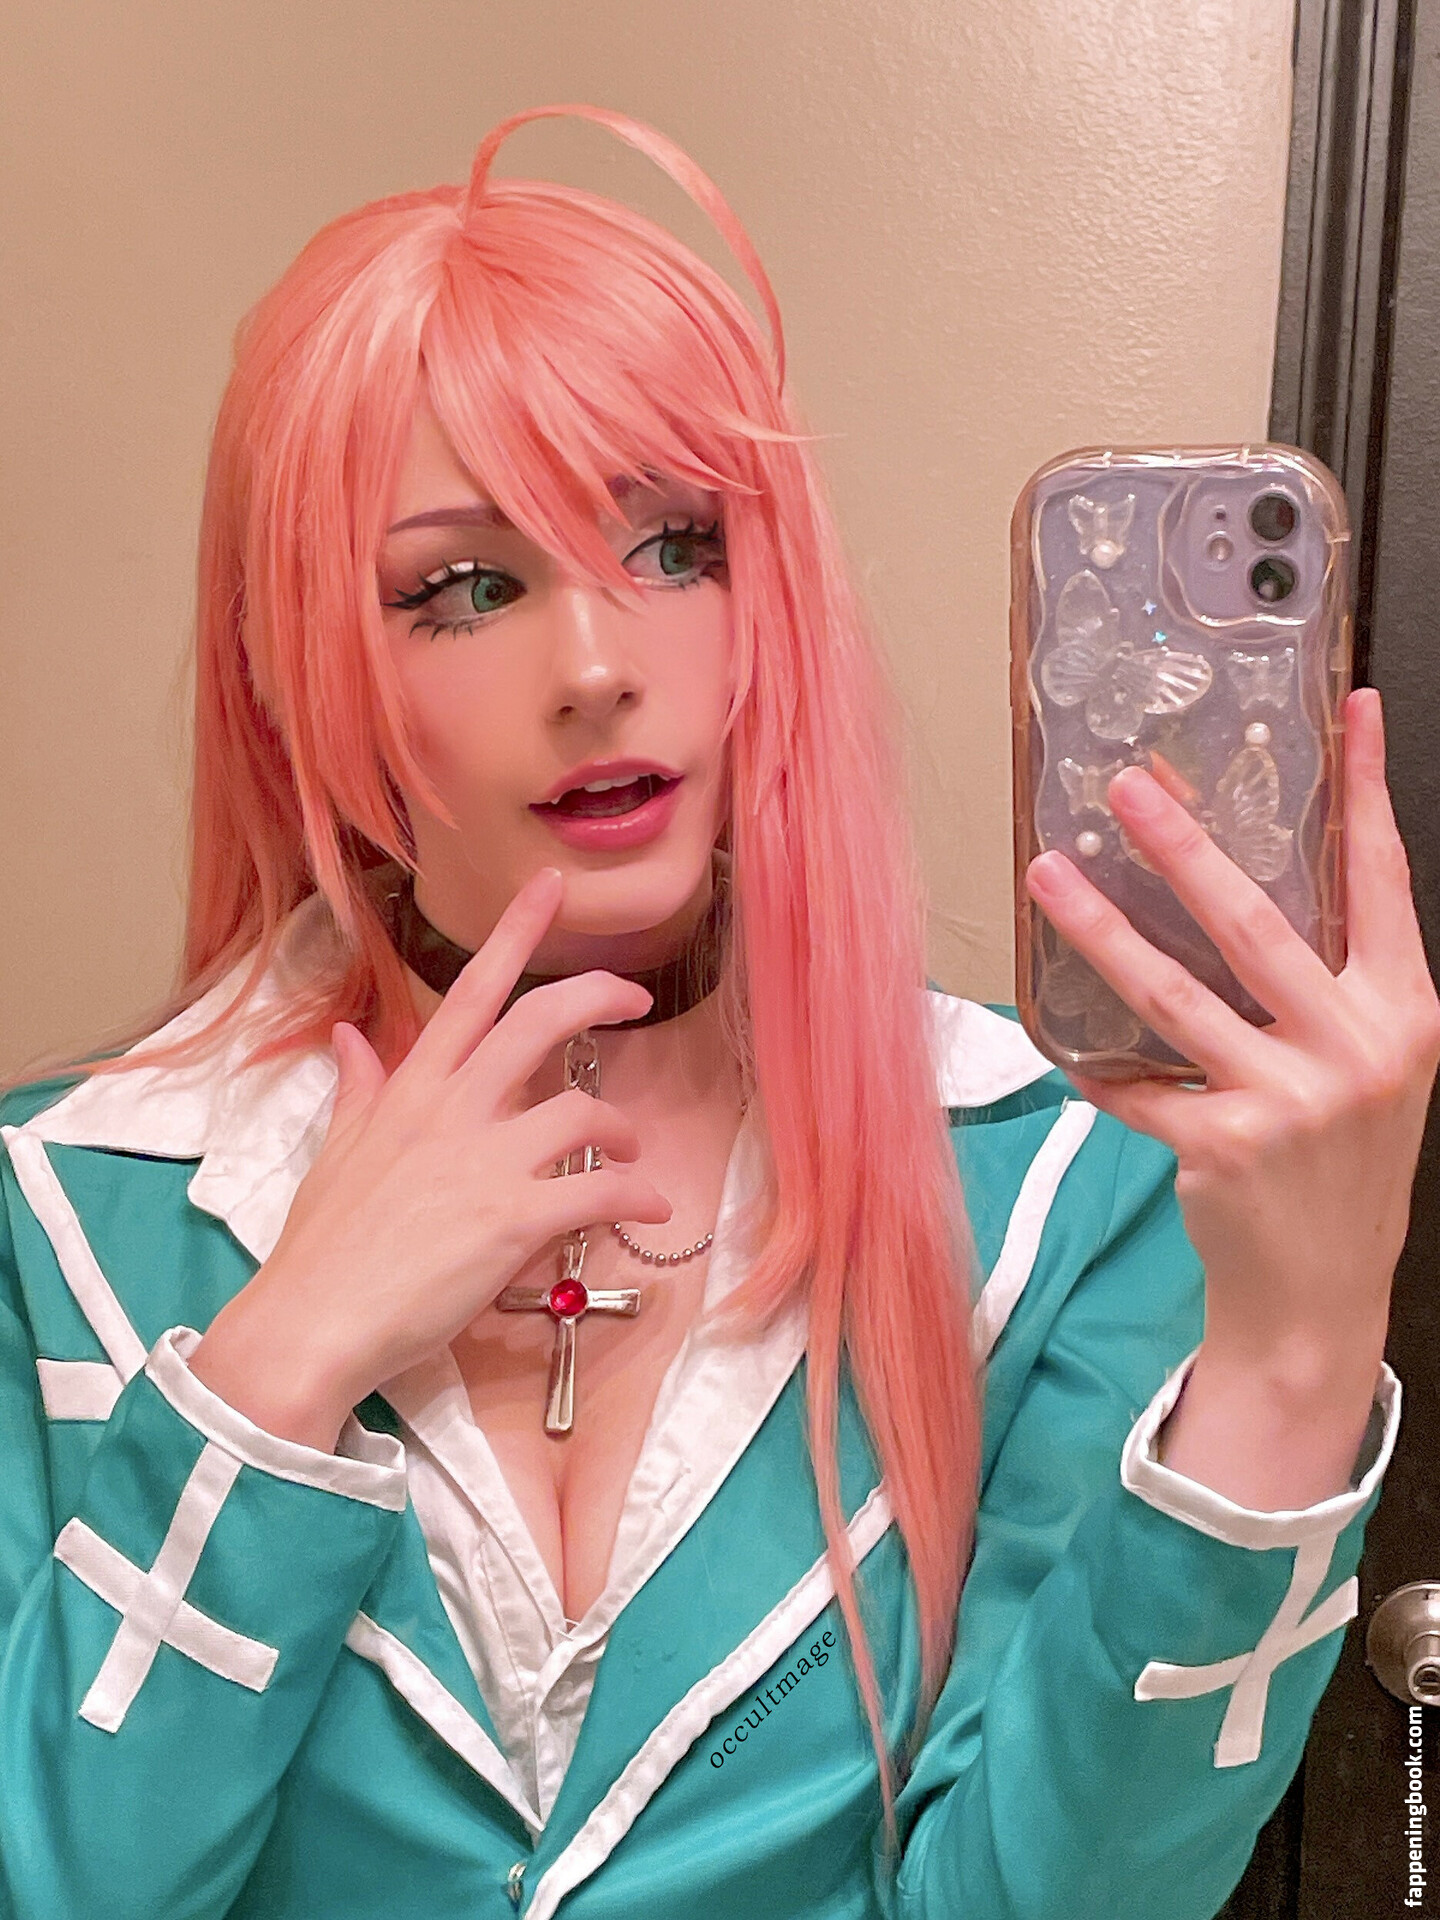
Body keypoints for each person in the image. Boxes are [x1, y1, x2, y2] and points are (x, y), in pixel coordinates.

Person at [0, 103, 1434, 1920]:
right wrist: (274, 1373)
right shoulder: (67, 1211)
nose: (600, 666)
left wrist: (1302, 1351)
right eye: (464, 587)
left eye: (680, 548)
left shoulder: (1059, 1189)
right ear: (288, 672)